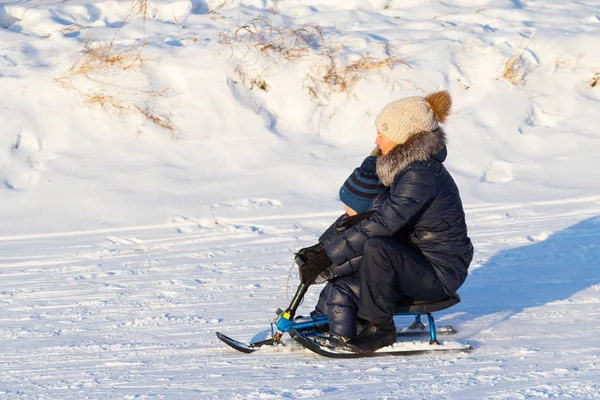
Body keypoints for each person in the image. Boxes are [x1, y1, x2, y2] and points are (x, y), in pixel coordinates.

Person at [297, 90, 474, 352]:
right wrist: (322, 251)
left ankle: (380, 328)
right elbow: (362, 218)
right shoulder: (405, 169)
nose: (377, 139)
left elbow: (382, 224)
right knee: (368, 252)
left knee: (377, 247)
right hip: (415, 261)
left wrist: (329, 257)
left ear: (403, 135)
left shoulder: (420, 175)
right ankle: (325, 320)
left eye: (383, 132)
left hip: (440, 271)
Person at [295, 155, 385, 347]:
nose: (345, 208)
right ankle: (320, 322)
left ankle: (341, 336)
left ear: (364, 207)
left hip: (379, 283)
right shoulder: (354, 219)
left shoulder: (375, 229)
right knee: (332, 287)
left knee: (341, 290)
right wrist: (316, 252)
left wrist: (329, 269)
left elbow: (357, 258)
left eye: (349, 205)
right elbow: (334, 238)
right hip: (363, 277)